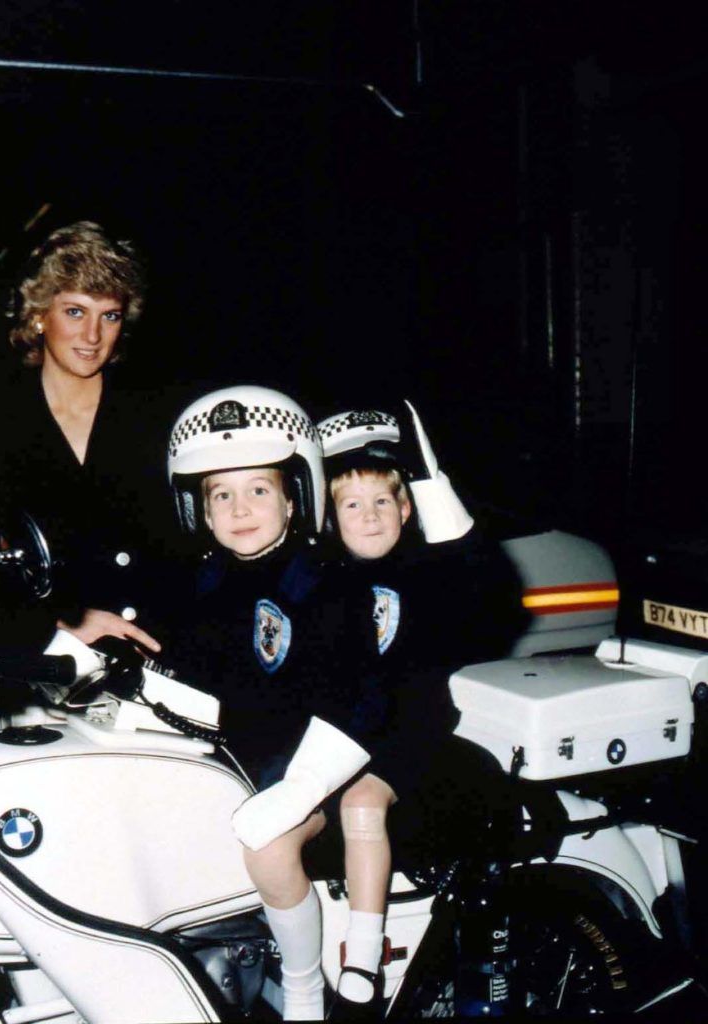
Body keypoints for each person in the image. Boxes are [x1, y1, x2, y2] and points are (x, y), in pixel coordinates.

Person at [165, 385, 374, 1021]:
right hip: (238, 762)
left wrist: (301, 785)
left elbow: (356, 696)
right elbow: (186, 676)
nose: (239, 508)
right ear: (199, 510)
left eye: (258, 489)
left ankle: (304, 987)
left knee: (270, 848)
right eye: (220, 494)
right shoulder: (202, 584)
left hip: (322, 767)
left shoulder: (327, 582)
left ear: (293, 498)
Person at [314, 401, 526, 1015]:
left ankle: (363, 955)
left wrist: (430, 478)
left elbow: (485, 581)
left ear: (406, 509)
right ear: (328, 515)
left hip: (412, 739)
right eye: (352, 504)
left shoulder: (430, 573)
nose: (369, 515)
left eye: (384, 501)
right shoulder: (319, 579)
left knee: (361, 804)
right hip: (340, 739)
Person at [0, 220, 180, 649]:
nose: (93, 336)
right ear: (39, 316)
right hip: (51, 661)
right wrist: (56, 625)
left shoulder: (156, 415)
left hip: (158, 649)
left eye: (109, 316)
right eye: (75, 311)